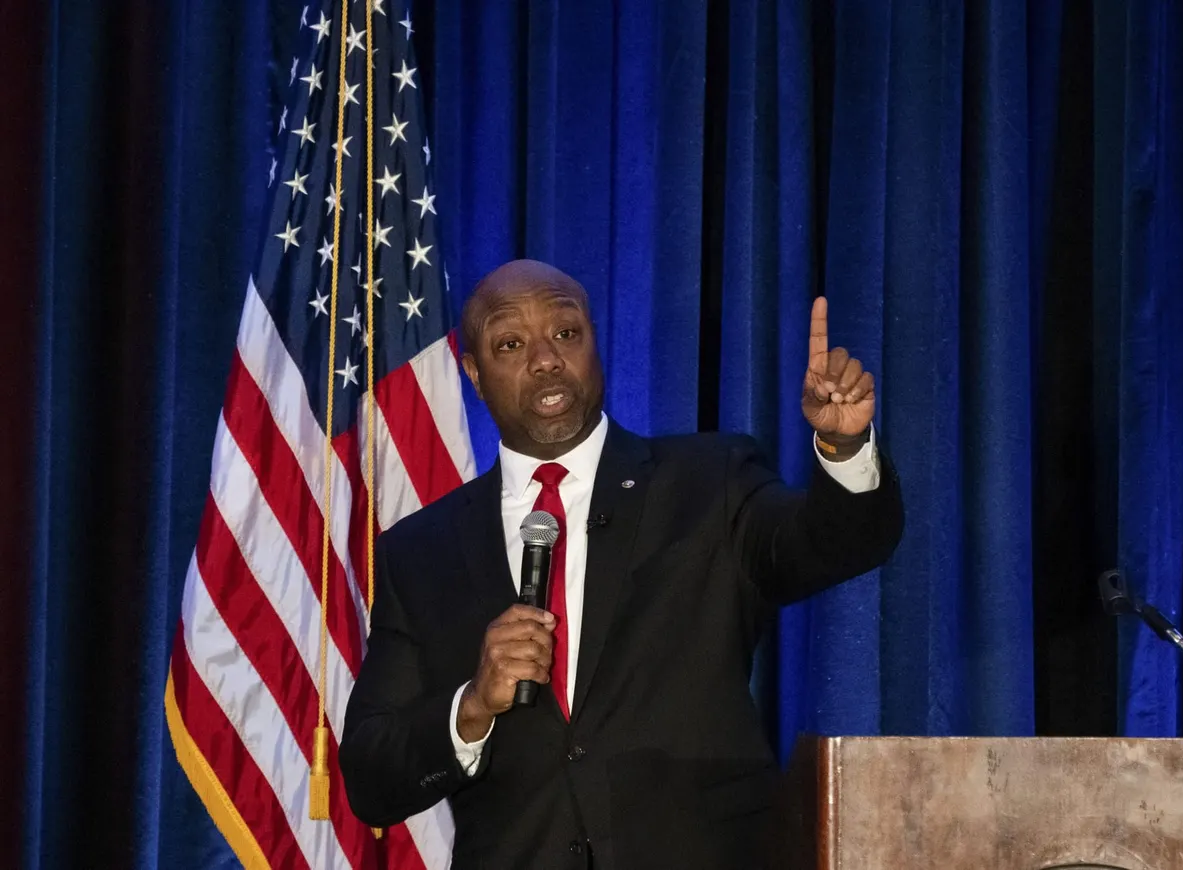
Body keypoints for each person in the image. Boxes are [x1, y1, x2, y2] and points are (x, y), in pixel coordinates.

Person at [340, 259, 903, 869]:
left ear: (593, 342)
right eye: (510, 343)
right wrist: (472, 706)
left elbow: (834, 542)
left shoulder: (708, 481)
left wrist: (844, 447)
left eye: (565, 333)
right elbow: (371, 778)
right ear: (474, 374)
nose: (546, 359)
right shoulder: (422, 552)